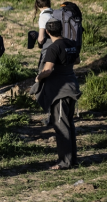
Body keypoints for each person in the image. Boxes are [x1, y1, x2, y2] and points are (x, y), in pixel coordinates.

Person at [33, 18, 81, 170]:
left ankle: (64, 162)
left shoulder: (53, 48)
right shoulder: (70, 43)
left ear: (47, 32)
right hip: (72, 86)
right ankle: (72, 159)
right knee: (69, 124)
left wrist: (38, 77)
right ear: (61, 30)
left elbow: (48, 70)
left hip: (60, 91)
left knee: (61, 127)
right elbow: (78, 61)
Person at [34, 0, 54, 70]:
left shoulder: (43, 17)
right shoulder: (54, 13)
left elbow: (41, 38)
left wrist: (37, 38)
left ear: (37, 4)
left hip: (48, 48)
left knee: (42, 72)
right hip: (58, 45)